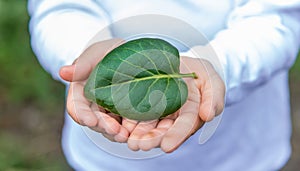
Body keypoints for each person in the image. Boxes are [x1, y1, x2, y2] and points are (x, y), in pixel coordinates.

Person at [28, 0, 300, 170]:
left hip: (241, 151)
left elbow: (278, 17)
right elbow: (58, 6)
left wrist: (217, 66)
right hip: (108, 157)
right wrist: (85, 49)